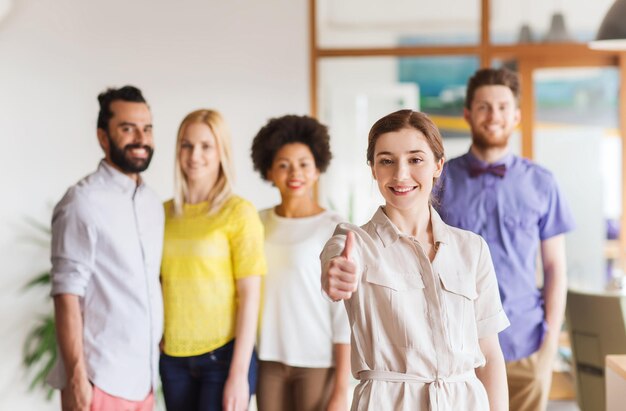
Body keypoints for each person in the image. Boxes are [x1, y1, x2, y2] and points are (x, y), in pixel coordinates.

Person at [321, 109, 510, 410]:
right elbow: (336, 259)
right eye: (386, 161)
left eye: (415, 159)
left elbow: (490, 354)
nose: (400, 175)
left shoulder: (472, 249)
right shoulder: (355, 242)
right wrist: (335, 274)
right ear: (373, 169)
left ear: (438, 165)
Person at [435, 67, 575, 411]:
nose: (493, 116)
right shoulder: (439, 181)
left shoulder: (542, 182)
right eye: (483, 106)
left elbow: (555, 267)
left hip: (525, 343)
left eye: (502, 107)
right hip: (456, 348)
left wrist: (550, 341)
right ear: (468, 114)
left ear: (516, 116)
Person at [47, 86, 163, 411]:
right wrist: (76, 378)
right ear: (103, 136)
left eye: (147, 128)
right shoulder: (81, 202)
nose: (141, 138)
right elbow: (66, 294)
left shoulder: (154, 204)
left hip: (144, 380)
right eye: (127, 128)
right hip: (99, 380)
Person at [159, 109, 266, 411]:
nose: (195, 155)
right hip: (173, 359)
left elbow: (250, 296)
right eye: (187, 144)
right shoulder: (162, 213)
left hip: (223, 358)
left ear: (222, 152)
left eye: (206, 146)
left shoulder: (238, 212)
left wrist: (238, 374)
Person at [250, 115, 351, 411]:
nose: (295, 172)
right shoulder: (256, 222)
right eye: (283, 164)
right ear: (269, 170)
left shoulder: (336, 227)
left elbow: (344, 313)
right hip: (269, 359)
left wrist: (341, 390)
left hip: (317, 361)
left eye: (304, 164)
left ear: (317, 168)